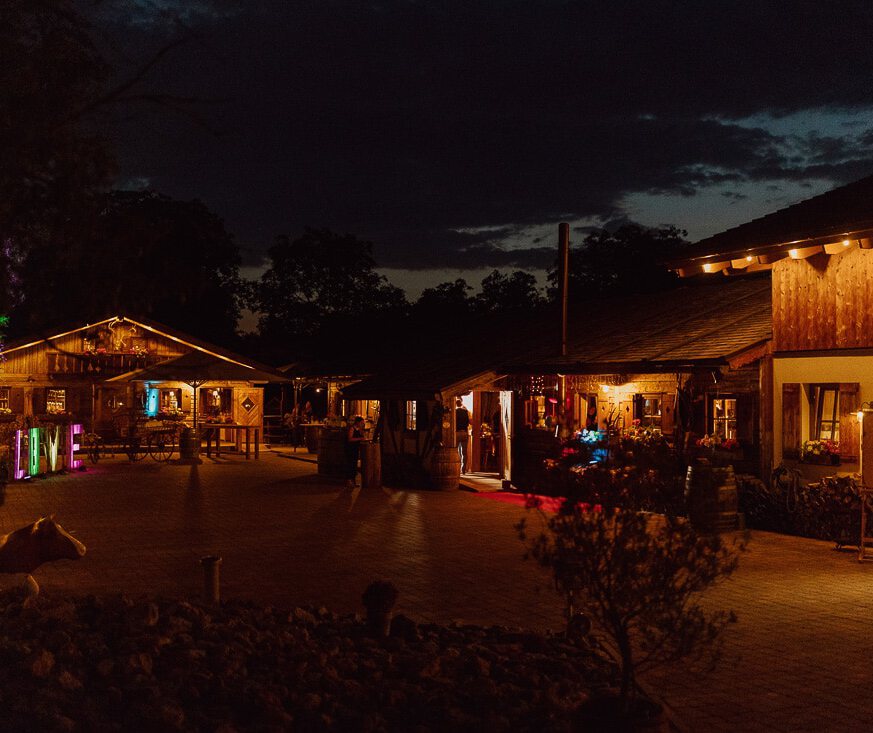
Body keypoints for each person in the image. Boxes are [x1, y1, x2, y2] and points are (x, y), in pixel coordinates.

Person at [345, 415, 366, 488]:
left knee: (354, 465)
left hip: (356, 449)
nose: (362, 424)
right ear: (357, 422)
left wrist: (361, 431)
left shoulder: (359, 429)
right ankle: (349, 481)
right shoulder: (352, 428)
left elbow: (362, 436)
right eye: (361, 423)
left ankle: (353, 482)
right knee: (351, 464)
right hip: (351, 449)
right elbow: (350, 439)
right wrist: (359, 438)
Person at [455, 397, 471, 474]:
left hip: (457, 433)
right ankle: (463, 469)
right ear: (461, 403)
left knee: (456, 451)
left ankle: (457, 468)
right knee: (464, 452)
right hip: (464, 432)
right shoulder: (465, 411)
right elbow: (468, 422)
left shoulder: (454, 412)